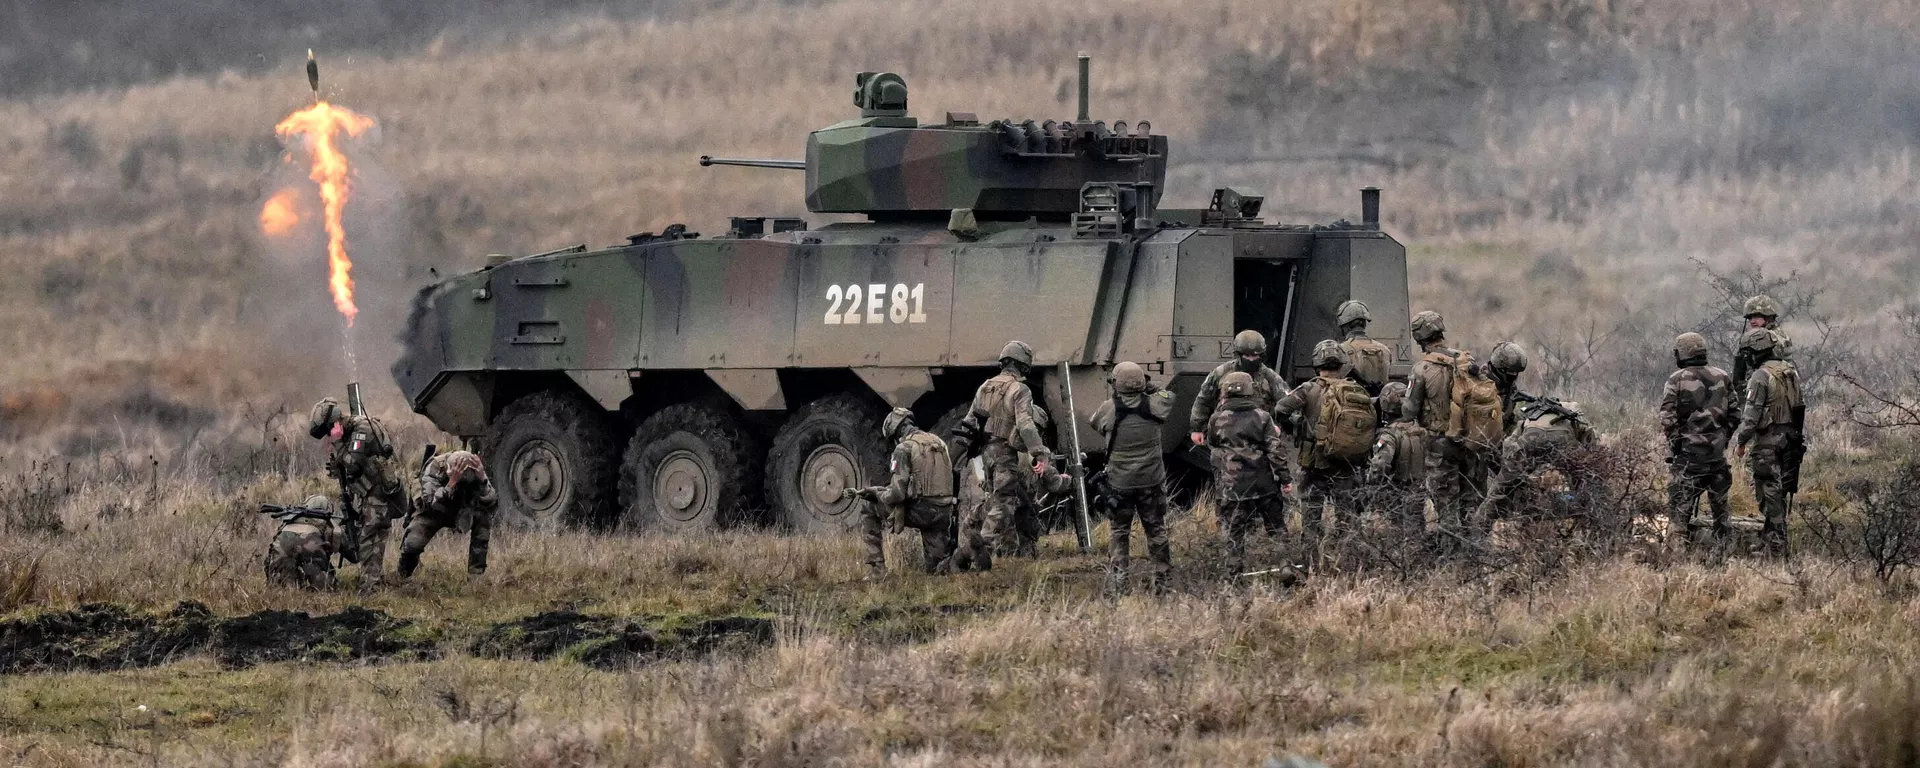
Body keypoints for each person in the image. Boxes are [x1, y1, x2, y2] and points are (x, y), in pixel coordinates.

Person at [1273, 340, 1377, 567]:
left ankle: (1310, 565)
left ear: (1316, 363)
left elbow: (1281, 408)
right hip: (1346, 463)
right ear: (1341, 363)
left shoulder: (1309, 389)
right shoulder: (1355, 389)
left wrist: (1295, 425)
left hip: (1314, 464)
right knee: (1348, 519)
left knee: (1311, 519)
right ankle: (1351, 566)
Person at [953, 341, 1051, 566]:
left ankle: (996, 547)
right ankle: (980, 545)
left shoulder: (985, 386)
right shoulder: (1019, 389)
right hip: (1005, 451)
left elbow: (969, 421)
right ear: (1023, 365)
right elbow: (1025, 424)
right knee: (1005, 501)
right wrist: (1040, 453)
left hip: (985, 451)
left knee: (993, 498)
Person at [1401, 311, 1494, 546]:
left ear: (1419, 337)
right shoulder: (1467, 362)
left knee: (1446, 505)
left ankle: (1452, 559)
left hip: (1440, 446)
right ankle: (1477, 551)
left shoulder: (1421, 369)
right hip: (1472, 443)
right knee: (1472, 503)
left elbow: (1408, 411)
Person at [1090, 361, 1174, 594]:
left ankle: (1119, 584)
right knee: (1156, 531)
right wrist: (1147, 384)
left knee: (1119, 532)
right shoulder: (1157, 404)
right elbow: (1168, 394)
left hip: (1119, 485)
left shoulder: (1109, 408)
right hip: (1151, 481)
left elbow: (1094, 422)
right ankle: (1163, 582)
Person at [848, 408, 958, 580]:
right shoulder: (939, 442)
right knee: (937, 571)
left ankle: (877, 570)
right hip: (944, 512)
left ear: (894, 431)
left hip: (923, 512)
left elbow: (897, 494)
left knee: (868, 508)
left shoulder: (903, 448)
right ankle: (963, 556)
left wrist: (877, 493)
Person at [309, 396, 407, 586]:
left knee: (369, 536)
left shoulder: (363, 430)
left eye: (330, 431)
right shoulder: (352, 432)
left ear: (336, 422)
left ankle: (370, 583)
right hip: (369, 493)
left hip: (379, 494)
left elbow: (353, 464)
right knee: (370, 536)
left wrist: (337, 443)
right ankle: (372, 579)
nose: (330, 435)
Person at [1207, 371, 1291, 577]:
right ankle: (1286, 566)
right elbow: (1275, 450)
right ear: (1250, 390)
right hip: (1264, 484)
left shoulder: (1216, 418)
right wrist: (1285, 478)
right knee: (1278, 530)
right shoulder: (1262, 417)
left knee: (1234, 534)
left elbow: (1213, 444)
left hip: (1233, 488)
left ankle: (1234, 577)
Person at [1473, 396, 1597, 533]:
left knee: (1499, 490)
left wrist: (1510, 471)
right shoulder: (1574, 414)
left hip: (1530, 437)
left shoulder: (1533, 413)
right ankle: (1588, 517)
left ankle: (1477, 528)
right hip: (1563, 439)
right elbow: (1591, 445)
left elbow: (1510, 442)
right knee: (1583, 484)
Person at [1732, 327, 1804, 557]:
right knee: (1781, 492)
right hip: (1791, 438)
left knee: (1769, 493)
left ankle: (1776, 546)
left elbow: (1751, 415)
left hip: (1768, 441)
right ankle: (1770, 539)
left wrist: (1741, 441)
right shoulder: (1790, 371)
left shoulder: (1761, 376)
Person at [1659, 332, 1736, 545]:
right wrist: (1722, 439)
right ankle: (1724, 556)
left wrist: (1677, 444)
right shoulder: (1722, 376)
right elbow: (1735, 414)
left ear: (1682, 354)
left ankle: (1677, 559)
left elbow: (1667, 417)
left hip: (1688, 459)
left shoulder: (1677, 379)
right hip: (1717, 458)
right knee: (1721, 515)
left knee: (1678, 514)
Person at [399, 449, 498, 579]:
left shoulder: (473, 467)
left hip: (462, 509)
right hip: (436, 511)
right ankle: (404, 574)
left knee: (483, 518)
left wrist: (482, 479)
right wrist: (451, 483)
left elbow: (491, 501)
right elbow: (431, 503)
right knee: (413, 543)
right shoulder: (434, 468)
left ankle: (476, 573)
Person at [1189, 330, 1286, 446]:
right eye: (1247, 355)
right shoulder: (1221, 373)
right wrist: (1197, 428)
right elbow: (1203, 400)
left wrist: (1277, 426)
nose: (1250, 359)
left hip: (1259, 437)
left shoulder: (1271, 378)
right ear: (1238, 354)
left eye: (1255, 356)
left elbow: (1286, 403)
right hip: (1225, 435)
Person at [1366, 382, 1427, 534]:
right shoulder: (1422, 431)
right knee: (1416, 528)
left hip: (1396, 491)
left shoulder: (1389, 435)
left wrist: (1369, 484)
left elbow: (1380, 465)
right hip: (1418, 489)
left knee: (1397, 532)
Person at [264, 494, 343, 590]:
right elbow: (345, 549)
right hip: (311, 548)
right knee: (325, 587)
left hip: (282, 548)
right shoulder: (328, 523)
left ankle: (291, 583)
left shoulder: (290, 518)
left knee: (280, 586)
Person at [1730, 294, 1791, 403]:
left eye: (1757, 316)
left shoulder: (1773, 338)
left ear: (1768, 316)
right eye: (1750, 318)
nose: (1752, 321)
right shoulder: (1755, 338)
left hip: (1769, 395)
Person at [1335, 300, 1392, 395]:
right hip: (1381, 404)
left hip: (1353, 406)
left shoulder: (1340, 350)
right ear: (1364, 324)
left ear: (1345, 326)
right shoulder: (1385, 350)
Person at [1487, 341, 1530, 436]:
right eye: (1510, 374)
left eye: (1516, 373)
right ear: (1498, 369)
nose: (1514, 376)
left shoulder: (1509, 386)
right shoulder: (1481, 387)